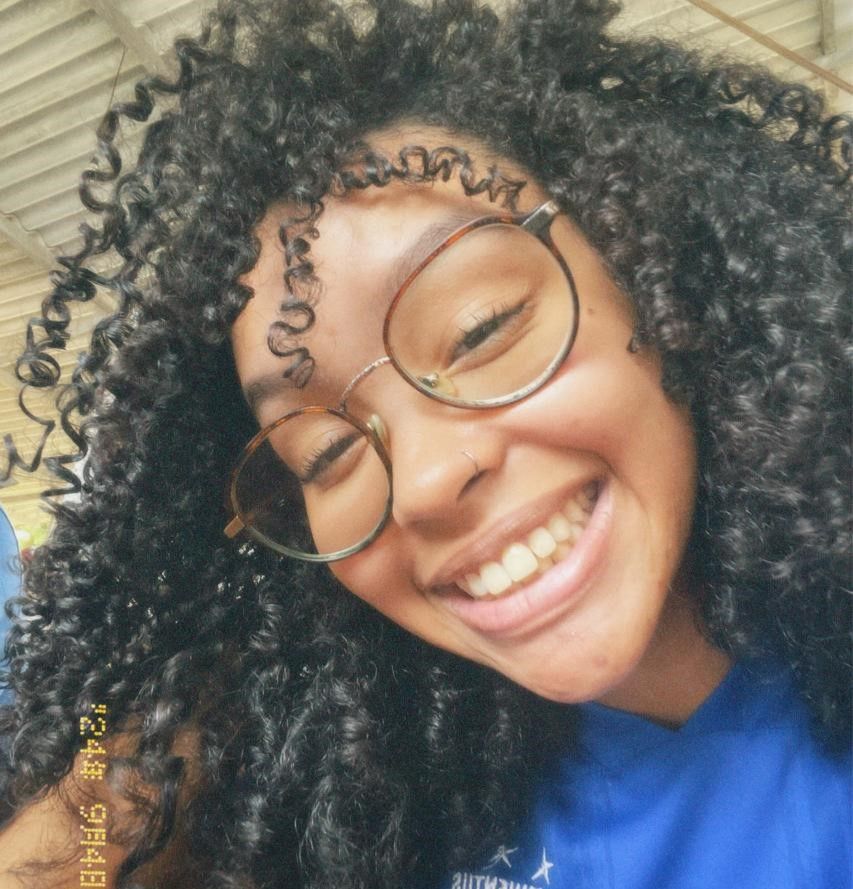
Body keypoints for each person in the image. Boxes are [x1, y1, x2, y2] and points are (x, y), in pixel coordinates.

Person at [0, 0, 849, 886]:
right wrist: (116, 782)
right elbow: (81, 822)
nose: (425, 480)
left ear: (663, 273)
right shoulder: (345, 742)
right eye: (324, 454)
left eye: (480, 329)